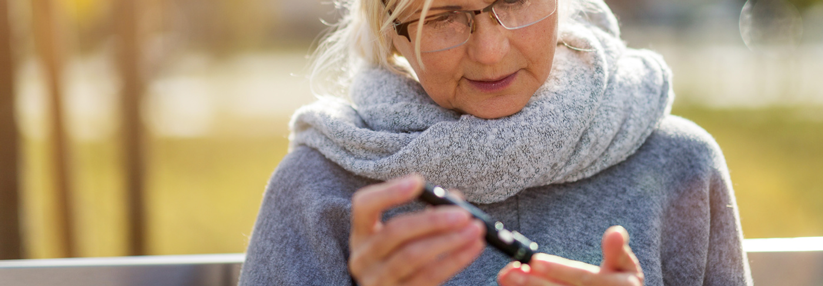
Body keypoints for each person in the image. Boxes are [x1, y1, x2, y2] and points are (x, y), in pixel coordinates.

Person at [239, 0, 753, 284]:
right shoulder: (317, 190)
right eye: (441, 17)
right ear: (390, 31)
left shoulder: (682, 165)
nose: (489, 51)